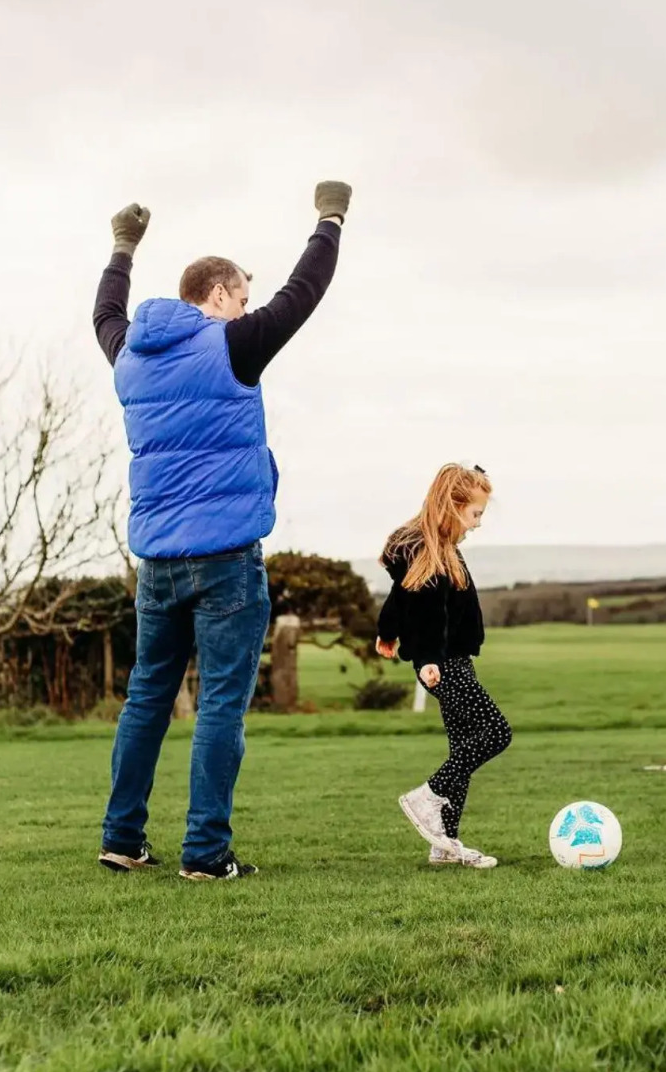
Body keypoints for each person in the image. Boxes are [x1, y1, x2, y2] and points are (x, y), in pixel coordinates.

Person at [92, 181, 352, 880]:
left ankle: (122, 840)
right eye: (240, 294)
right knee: (221, 706)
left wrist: (123, 247)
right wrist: (330, 218)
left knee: (147, 696)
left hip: (158, 564)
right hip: (228, 561)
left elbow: (107, 312)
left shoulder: (130, 359)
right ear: (215, 295)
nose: (246, 306)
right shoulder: (233, 346)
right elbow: (304, 292)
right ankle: (205, 854)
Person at [375, 464, 511, 869]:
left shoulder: (439, 546)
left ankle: (445, 843)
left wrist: (386, 632)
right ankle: (427, 797)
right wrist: (428, 659)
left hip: (455, 658)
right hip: (442, 662)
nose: (478, 524)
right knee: (495, 733)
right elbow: (425, 609)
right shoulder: (424, 549)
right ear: (452, 507)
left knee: (464, 744)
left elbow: (399, 597)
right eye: (475, 514)